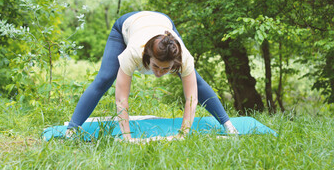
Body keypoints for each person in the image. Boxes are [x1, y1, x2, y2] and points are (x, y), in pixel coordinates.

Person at [67, 11, 238, 140]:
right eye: (156, 66)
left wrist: (183, 134)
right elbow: (121, 99)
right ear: (148, 56)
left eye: (166, 69)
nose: (158, 73)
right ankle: (72, 128)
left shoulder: (183, 57)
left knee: (197, 81)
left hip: (163, 22)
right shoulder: (134, 52)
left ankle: (228, 124)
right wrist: (127, 138)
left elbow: (191, 99)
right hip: (126, 25)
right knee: (104, 78)